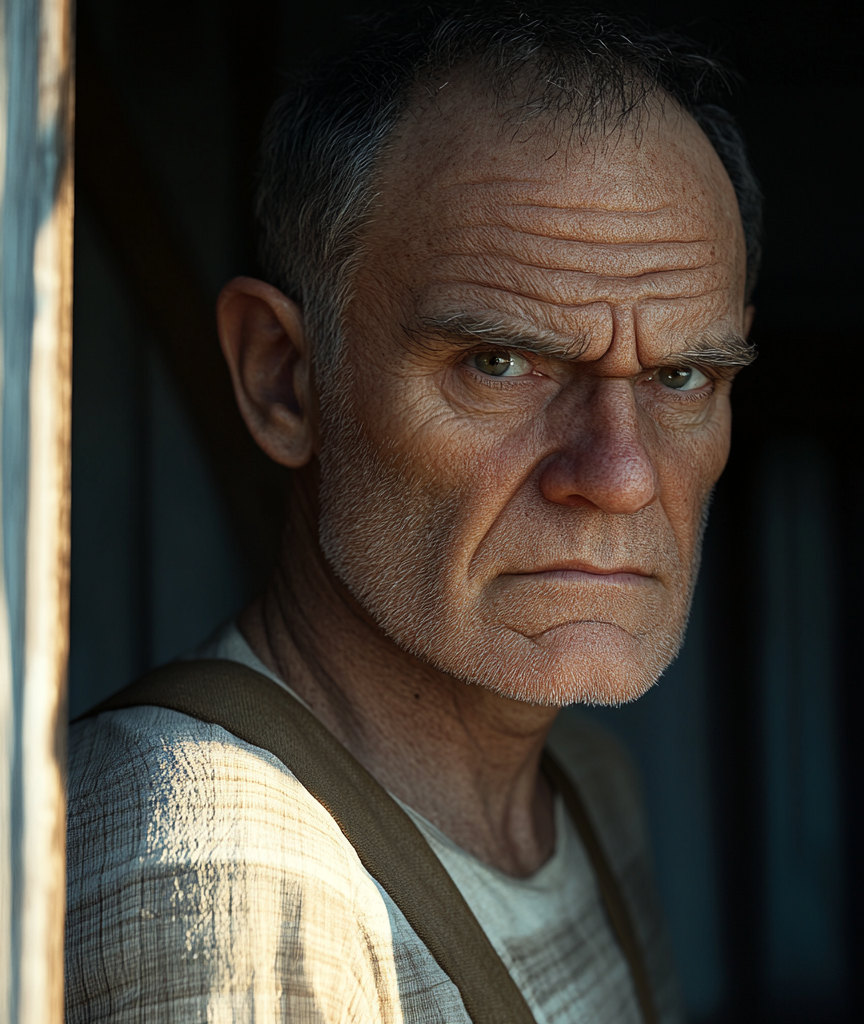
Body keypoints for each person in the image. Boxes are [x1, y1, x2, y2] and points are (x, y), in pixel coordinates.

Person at [65, 4, 761, 1022]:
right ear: (284, 380)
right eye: (499, 362)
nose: (618, 474)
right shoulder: (223, 879)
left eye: (684, 375)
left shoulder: (581, 782)